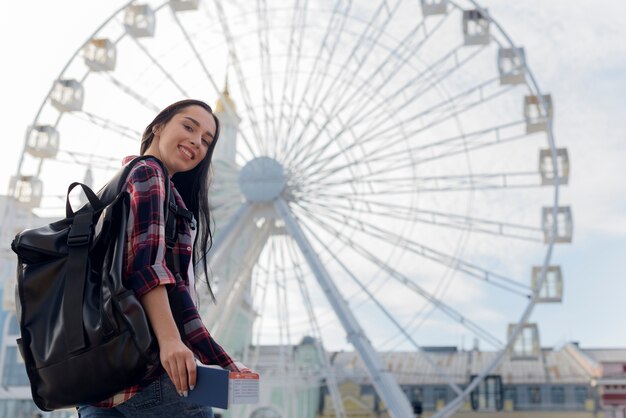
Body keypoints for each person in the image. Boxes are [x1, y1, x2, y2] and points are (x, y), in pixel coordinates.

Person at [77, 99, 251, 418]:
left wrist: (222, 362)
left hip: (94, 380)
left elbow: (174, 296)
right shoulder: (149, 173)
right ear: (158, 126)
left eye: (207, 141)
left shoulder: (114, 188)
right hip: (148, 372)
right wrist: (171, 342)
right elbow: (149, 269)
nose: (196, 142)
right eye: (189, 127)